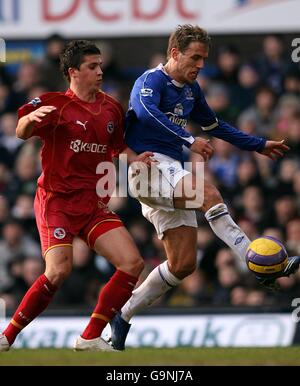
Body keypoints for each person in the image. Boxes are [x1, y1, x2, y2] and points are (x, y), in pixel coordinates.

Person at [108, 24, 300, 350]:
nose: (200, 65)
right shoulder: (150, 81)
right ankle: (254, 261)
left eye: (203, 59)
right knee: (207, 192)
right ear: (174, 53)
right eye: (194, 57)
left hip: (169, 173)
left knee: (183, 264)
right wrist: (190, 138)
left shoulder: (191, 90)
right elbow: (146, 113)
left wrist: (257, 145)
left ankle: (122, 317)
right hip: (147, 167)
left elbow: (215, 125)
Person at [0, 40, 153, 352]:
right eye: (92, 67)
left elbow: (116, 146)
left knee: (132, 262)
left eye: (100, 66)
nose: (100, 71)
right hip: (57, 201)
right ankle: (7, 337)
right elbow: (21, 130)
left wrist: (133, 159)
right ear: (73, 72)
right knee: (58, 271)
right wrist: (30, 120)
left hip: (93, 204)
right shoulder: (54, 104)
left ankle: (90, 336)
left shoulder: (111, 107)